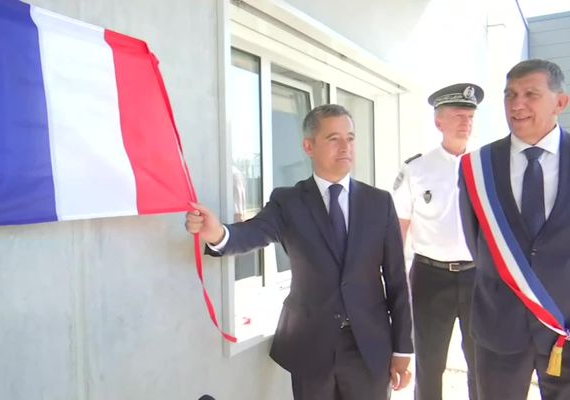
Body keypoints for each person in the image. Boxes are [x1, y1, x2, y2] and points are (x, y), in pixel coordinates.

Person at [185, 104, 413, 400]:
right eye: (333, 138)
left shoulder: (378, 203)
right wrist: (217, 232)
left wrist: (402, 348)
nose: (345, 147)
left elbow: (396, 281)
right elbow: (253, 232)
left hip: (368, 347)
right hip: (311, 346)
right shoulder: (289, 202)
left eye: (351, 138)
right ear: (309, 146)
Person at [459, 59, 570, 399]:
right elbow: (475, 240)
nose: (517, 105)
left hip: (564, 327)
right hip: (499, 326)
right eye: (510, 95)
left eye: (530, 94)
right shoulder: (477, 166)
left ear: (561, 103)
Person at [393, 83, 483, 400]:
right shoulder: (416, 169)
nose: (466, 122)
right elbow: (398, 230)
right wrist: (393, 283)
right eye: (458, 115)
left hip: (477, 277)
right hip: (431, 278)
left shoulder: (486, 166)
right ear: (438, 122)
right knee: (430, 364)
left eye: (470, 116)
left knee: (480, 363)